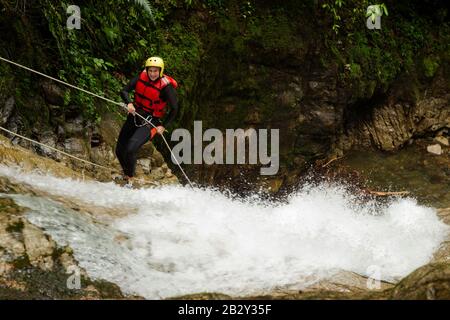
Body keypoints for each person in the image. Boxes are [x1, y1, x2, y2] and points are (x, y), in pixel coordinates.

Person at [115, 56, 179, 187]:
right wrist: (129, 103)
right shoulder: (141, 77)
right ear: (147, 70)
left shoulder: (166, 87)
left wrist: (163, 126)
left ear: (160, 71)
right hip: (136, 114)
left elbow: (174, 108)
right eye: (150, 70)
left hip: (151, 121)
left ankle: (130, 178)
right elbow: (124, 90)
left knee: (131, 148)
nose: (152, 73)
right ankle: (126, 173)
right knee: (119, 150)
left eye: (155, 71)